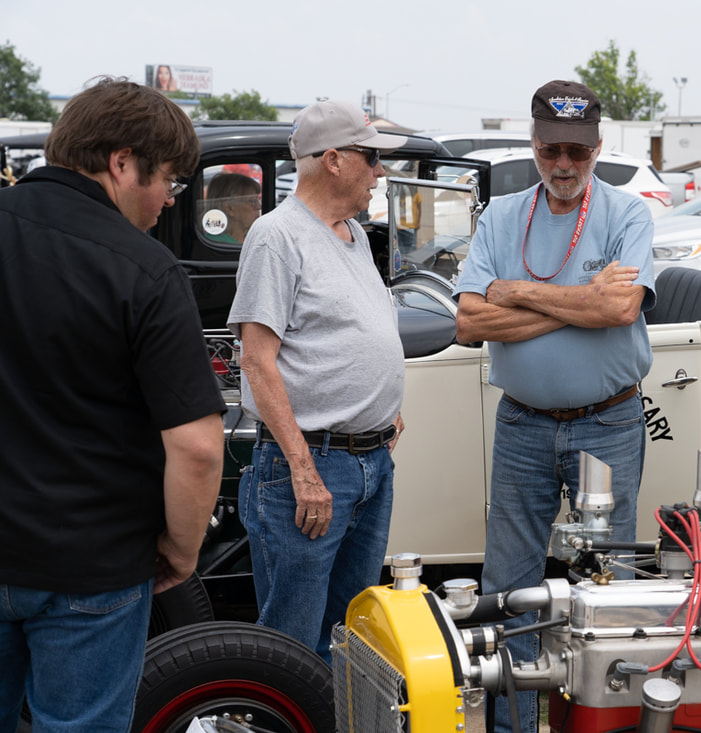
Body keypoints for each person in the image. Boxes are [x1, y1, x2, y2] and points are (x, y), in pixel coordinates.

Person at [0, 77, 225, 731]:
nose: (167, 201)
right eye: (168, 181)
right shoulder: (145, 270)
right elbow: (198, 444)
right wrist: (181, 551)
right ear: (123, 162)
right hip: (91, 567)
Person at [453, 79, 655, 733]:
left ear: (598, 146)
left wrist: (516, 293)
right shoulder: (504, 216)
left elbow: (621, 307)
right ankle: (513, 725)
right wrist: (579, 303)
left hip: (609, 420)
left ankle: (603, 721)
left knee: (610, 586)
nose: (564, 165)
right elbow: (468, 322)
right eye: (551, 150)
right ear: (533, 145)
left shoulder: (627, 214)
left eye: (578, 150)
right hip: (523, 423)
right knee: (508, 588)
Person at [227, 98, 408, 662]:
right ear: (333, 159)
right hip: (312, 467)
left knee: (350, 637)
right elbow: (257, 360)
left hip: (367, 462)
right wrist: (304, 471)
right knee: (292, 644)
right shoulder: (277, 235)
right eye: (372, 157)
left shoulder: (350, 232)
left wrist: (383, 409)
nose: (380, 172)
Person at [204, 171, 262, 243]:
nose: (258, 206)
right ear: (229, 208)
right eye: (251, 201)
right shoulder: (215, 243)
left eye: (257, 200)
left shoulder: (252, 236)